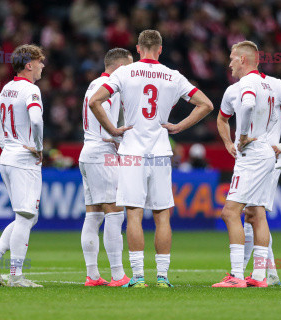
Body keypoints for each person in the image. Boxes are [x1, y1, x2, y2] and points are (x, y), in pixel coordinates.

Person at [89, 30, 214, 288]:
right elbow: (206, 104)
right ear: (160, 49)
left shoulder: (125, 72)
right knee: (162, 215)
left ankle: (137, 277)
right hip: (160, 153)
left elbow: (95, 101)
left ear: (137, 48)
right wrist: (180, 126)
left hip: (132, 152)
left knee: (133, 214)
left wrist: (113, 129)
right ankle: (163, 277)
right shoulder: (173, 76)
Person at [215, 40, 281, 288]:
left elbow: (246, 105)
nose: (229, 63)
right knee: (256, 213)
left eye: (231, 58)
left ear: (243, 60)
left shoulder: (244, 86)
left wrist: (243, 136)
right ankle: (262, 276)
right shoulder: (276, 85)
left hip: (253, 154)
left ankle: (237, 276)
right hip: (272, 156)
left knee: (231, 212)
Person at [0, 44, 45, 287]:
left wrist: (6, 144)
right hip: (23, 160)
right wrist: (38, 146)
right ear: (29, 65)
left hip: (8, 158)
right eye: (40, 62)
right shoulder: (31, 90)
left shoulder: (8, 88)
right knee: (26, 215)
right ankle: (16, 275)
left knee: (27, 217)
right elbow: (36, 120)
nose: (43, 66)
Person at [79, 48, 133, 287]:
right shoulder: (110, 87)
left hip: (87, 152)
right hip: (101, 154)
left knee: (94, 215)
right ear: (120, 68)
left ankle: (92, 275)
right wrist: (116, 134)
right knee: (115, 212)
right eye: (130, 68)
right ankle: (118, 274)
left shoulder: (94, 84)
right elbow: (102, 119)